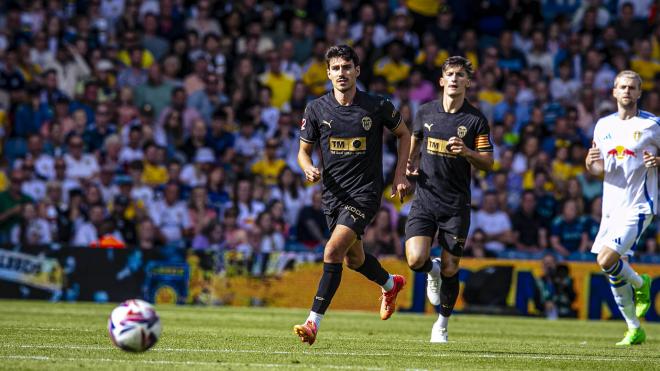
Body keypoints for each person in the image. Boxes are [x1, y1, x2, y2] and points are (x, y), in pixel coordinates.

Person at [293, 45, 411, 346]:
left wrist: (399, 175)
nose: (342, 73)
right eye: (336, 68)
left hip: (365, 193)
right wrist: (307, 168)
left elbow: (404, 134)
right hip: (332, 195)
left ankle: (312, 323)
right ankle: (390, 283)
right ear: (328, 73)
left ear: (357, 70)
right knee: (354, 260)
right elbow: (303, 152)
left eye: (347, 67)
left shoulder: (377, 105)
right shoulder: (316, 109)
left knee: (332, 252)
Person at [404, 56, 494, 343]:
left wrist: (467, 152)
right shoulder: (425, 112)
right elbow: (415, 142)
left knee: (451, 267)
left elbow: (488, 162)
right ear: (441, 81)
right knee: (415, 259)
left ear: (468, 81)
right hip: (425, 199)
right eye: (449, 74)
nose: (454, 79)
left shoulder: (475, 120)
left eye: (460, 75)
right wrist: (409, 166)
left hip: (455, 204)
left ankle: (441, 324)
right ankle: (431, 271)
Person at [585, 70, 659, 346]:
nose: (627, 91)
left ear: (639, 93)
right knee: (613, 267)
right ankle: (634, 328)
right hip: (611, 207)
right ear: (614, 92)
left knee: (605, 260)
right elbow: (597, 169)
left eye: (632, 87)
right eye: (622, 87)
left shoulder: (653, 124)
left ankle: (641, 284)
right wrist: (589, 162)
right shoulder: (603, 126)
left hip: (640, 204)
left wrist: (658, 161)